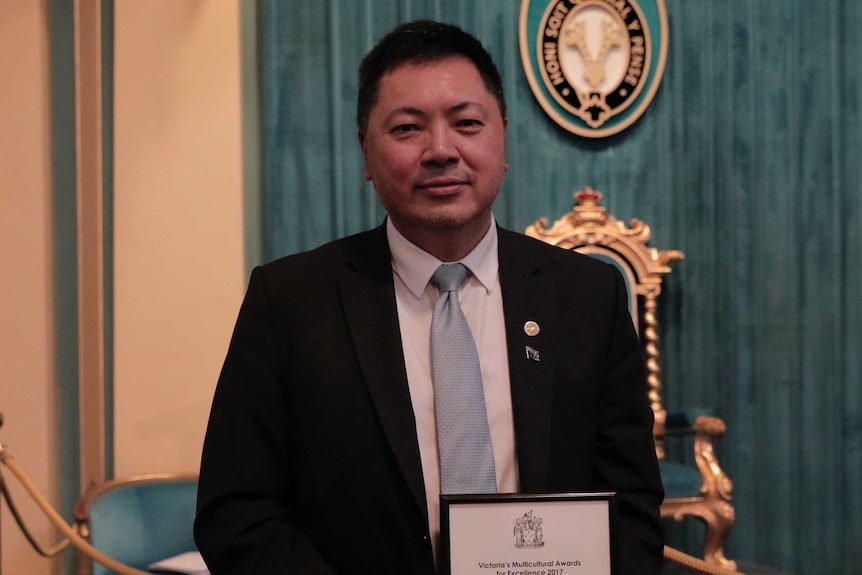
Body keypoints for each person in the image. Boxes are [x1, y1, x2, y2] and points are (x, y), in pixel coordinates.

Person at [194, 20, 663, 575]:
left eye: (467, 123)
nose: (442, 150)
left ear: (502, 139)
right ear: (366, 155)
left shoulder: (587, 296)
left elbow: (631, 507)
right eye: (407, 129)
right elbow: (237, 514)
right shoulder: (291, 302)